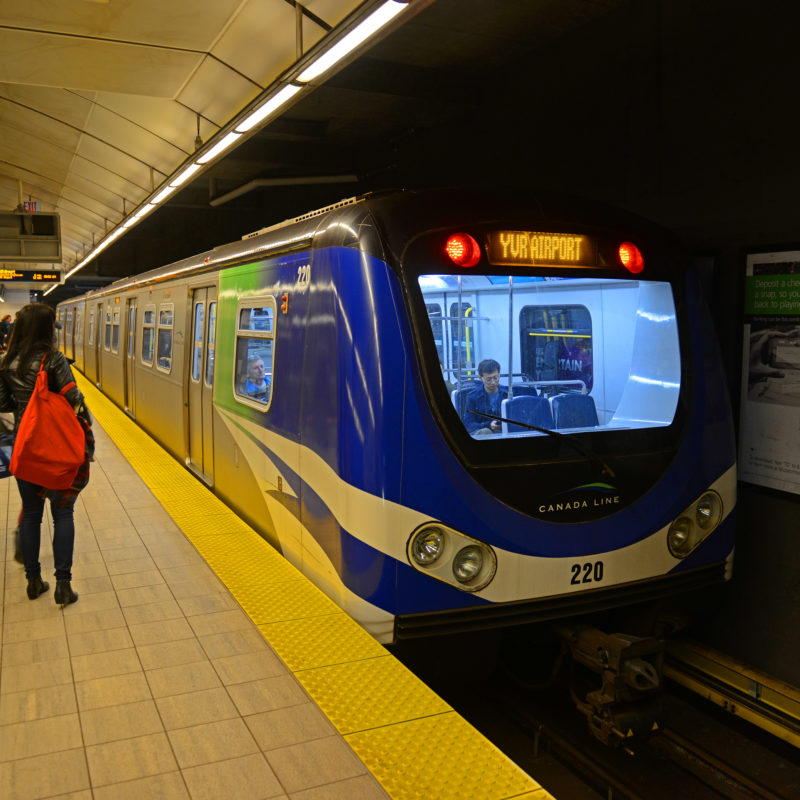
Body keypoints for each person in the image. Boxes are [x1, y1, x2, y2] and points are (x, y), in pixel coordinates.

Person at [0, 303, 93, 605]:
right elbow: (74, 398)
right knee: (63, 513)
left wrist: (25, 406)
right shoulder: (53, 359)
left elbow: (3, 404)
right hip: (55, 447)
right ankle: (63, 586)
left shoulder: (6, 362)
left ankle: (33, 581)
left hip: (25, 446)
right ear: (45, 328)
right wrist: (85, 424)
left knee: (31, 514)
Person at [462, 358, 507, 434]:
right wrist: (488, 425)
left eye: (495, 378)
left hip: (504, 432)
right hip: (482, 433)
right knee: (486, 432)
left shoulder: (508, 394)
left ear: (499, 375)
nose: (493, 382)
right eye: (488, 379)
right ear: (480, 378)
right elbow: (468, 424)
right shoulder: (472, 397)